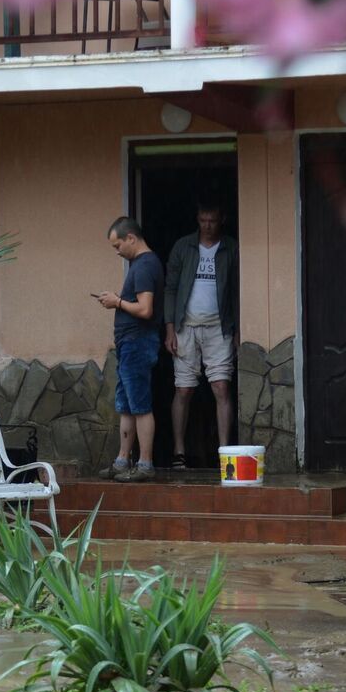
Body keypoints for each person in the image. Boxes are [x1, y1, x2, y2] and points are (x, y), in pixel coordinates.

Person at [162, 202, 240, 469]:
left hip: (219, 326)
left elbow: (238, 290)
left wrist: (238, 328)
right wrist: (170, 328)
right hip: (186, 326)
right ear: (197, 219)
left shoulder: (231, 248)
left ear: (222, 219)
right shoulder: (183, 246)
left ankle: (225, 451)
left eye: (212, 220)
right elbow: (170, 288)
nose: (207, 225)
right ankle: (179, 451)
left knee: (221, 386)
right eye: (203, 220)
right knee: (183, 388)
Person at [95, 217, 163, 482]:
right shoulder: (140, 265)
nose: (117, 251)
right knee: (126, 404)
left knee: (139, 403)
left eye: (118, 245)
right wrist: (118, 300)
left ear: (131, 238)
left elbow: (145, 309)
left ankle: (145, 463)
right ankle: (122, 460)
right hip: (129, 343)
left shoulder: (145, 265)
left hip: (138, 342)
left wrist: (117, 302)